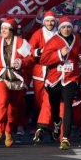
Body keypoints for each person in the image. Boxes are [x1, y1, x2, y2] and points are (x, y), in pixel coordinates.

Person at [39, 16, 81, 150]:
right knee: (55, 106)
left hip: (70, 77)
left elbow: (79, 54)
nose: (66, 29)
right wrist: (59, 54)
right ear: (59, 28)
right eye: (63, 27)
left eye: (68, 27)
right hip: (54, 78)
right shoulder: (53, 41)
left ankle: (65, 138)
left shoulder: (77, 38)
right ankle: (57, 122)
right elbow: (43, 60)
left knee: (68, 105)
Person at [28, 11, 59, 143]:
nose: (50, 23)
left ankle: (51, 127)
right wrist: (39, 52)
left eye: (52, 21)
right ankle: (39, 125)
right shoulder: (38, 34)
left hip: (54, 72)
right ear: (44, 21)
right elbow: (30, 50)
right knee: (39, 102)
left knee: (51, 101)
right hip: (39, 72)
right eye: (47, 21)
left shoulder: (59, 34)